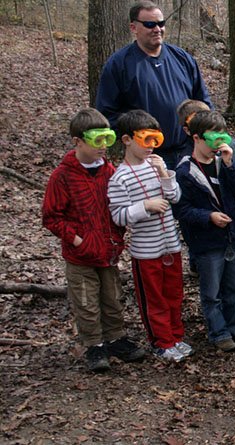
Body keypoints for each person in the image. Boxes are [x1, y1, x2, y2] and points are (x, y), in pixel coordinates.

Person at [42, 108, 146, 372]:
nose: (102, 147)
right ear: (78, 140)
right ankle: (94, 345)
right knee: (86, 301)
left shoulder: (110, 171)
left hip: (108, 251)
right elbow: (52, 217)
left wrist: (117, 236)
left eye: (107, 139)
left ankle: (116, 339)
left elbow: (119, 207)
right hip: (80, 256)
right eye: (96, 140)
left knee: (112, 297)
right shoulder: (62, 176)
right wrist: (78, 240)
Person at [172, 110, 235, 352]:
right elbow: (182, 210)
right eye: (212, 138)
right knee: (212, 292)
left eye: (222, 137)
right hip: (206, 241)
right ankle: (219, 332)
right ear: (197, 138)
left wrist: (231, 164)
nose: (218, 144)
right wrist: (209, 217)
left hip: (231, 236)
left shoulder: (224, 161)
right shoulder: (185, 171)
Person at [107, 110, 190, 363]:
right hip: (146, 252)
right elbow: (119, 216)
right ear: (127, 140)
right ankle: (161, 342)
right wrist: (146, 206)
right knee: (154, 298)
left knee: (174, 294)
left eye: (156, 139)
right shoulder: (119, 177)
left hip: (171, 246)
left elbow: (175, 197)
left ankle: (176, 336)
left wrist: (165, 174)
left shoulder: (157, 165)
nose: (151, 146)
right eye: (146, 139)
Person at [95, 1, 212, 170]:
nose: (157, 29)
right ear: (134, 27)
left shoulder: (182, 58)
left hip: (188, 150)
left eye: (161, 23)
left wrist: (204, 135)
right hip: (147, 156)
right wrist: (135, 139)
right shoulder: (119, 64)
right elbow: (107, 113)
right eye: (150, 24)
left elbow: (204, 101)